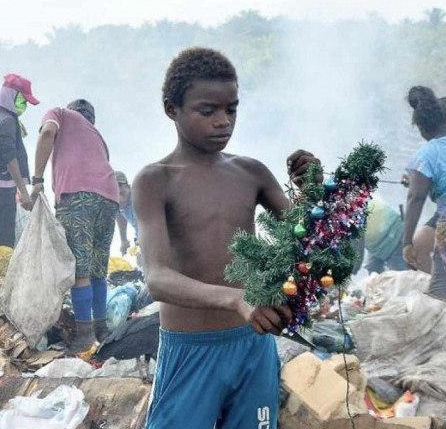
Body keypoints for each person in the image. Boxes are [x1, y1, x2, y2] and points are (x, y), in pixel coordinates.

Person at [133, 47, 320, 428]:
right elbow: (157, 277)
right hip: (191, 351)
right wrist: (237, 298)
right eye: (208, 111)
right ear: (172, 109)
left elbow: (303, 238)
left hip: (253, 344)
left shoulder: (251, 173)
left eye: (231, 109)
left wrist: (311, 191)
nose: (223, 122)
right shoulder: (155, 180)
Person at [32, 99, 120, 351]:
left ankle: (84, 336)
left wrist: (37, 179)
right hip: (109, 198)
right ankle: (102, 328)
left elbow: (47, 132)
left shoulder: (60, 113)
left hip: (79, 196)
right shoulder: (98, 137)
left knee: (79, 268)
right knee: (97, 268)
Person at [402, 87, 446, 300]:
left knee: (440, 294)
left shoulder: (426, 156)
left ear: (421, 128)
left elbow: (416, 198)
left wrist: (406, 243)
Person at [0, 74, 39, 247]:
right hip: (1, 192)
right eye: (23, 100)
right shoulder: (8, 121)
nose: (24, 106)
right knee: (5, 245)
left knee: (0, 236)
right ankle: (5, 273)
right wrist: (23, 191)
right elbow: (10, 158)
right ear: (11, 96)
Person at [353, 199, 408, 273]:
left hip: (393, 235)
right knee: (372, 269)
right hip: (378, 242)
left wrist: (355, 268)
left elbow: (359, 244)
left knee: (398, 274)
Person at [114, 171, 139, 256]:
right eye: (113, 187)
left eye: (120, 185)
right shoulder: (117, 206)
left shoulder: (139, 198)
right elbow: (120, 216)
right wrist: (123, 240)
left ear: (129, 187)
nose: (118, 190)